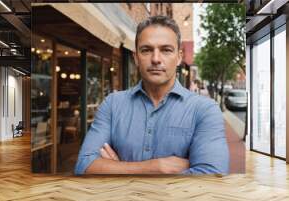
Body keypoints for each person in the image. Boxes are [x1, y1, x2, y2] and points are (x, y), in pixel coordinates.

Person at [74, 16, 229, 175]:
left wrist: (119, 170)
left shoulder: (204, 109)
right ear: (135, 58)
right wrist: (156, 167)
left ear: (179, 57)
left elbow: (211, 175)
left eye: (166, 50)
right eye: (146, 50)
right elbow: (84, 166)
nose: (155, 59)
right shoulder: (112, 104)